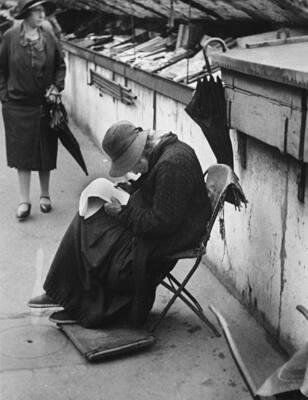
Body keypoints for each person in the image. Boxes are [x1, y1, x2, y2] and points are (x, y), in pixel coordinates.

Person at [28, 121, 212, 327]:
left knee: (97, 237)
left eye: (131, 164)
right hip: (165, 224)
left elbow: (162, 224)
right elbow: (156, 190)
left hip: (173, 236)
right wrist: (127, 189)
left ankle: (79, 303)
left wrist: (123, 213)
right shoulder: (162, 150)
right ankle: (63, 293)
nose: (133, 169)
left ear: (140, 152)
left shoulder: (171, 164)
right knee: (87, 218)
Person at [0, 0, 66, 220]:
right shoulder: (9, 37)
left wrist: (56, 88)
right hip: (17, 106)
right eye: (37, 11)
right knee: (23, 153)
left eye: (43, 11)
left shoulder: (48, 36)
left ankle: (45, 196)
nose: (41, 15)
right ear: (26, 14)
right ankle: (24, 201)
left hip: (44, 105)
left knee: (45, 149)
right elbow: (1, 69)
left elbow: (60, 64)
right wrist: (4, 97)